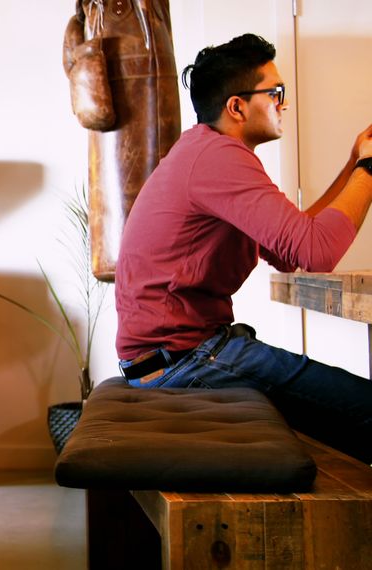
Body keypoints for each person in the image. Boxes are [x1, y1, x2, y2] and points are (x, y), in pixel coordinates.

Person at [114, 33, 372, 462]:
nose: (283, 103)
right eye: (276, 93)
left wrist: (353, 165)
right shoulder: (219, 159)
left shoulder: (210, 154)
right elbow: (316, 252)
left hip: (183, 354)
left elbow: (294, 251)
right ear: (237, 106)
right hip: (183, 360)